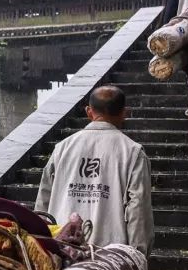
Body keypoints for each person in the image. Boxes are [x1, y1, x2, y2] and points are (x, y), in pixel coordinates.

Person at [34, 86, 153, 257]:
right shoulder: (133, 152)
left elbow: (43, 204)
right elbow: (138, 209)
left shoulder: (62, 148)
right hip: (110, 259)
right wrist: (138, 255)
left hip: (61, 251)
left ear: (89, 112)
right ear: (124, 113)